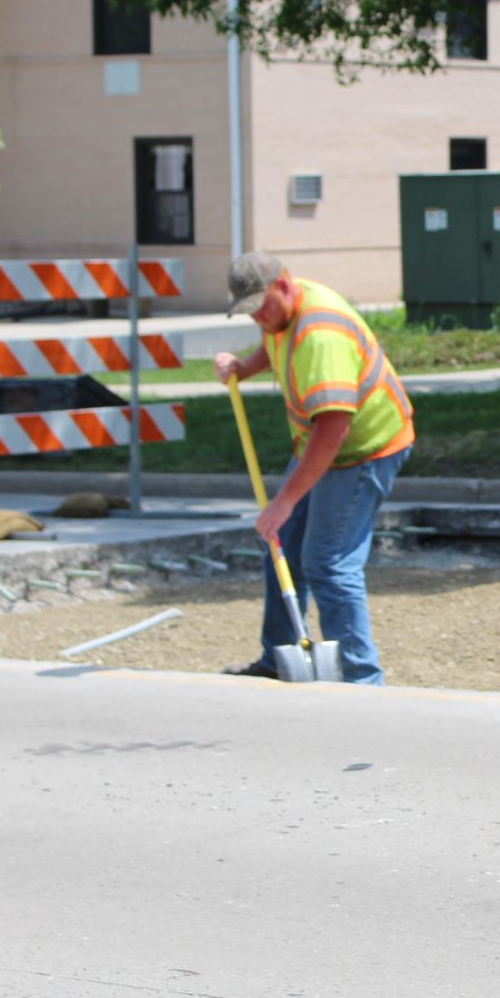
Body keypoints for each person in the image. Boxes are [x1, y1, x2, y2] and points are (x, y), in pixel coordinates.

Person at [214, 252, 413, 683]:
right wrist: (243, 367)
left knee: (328, 562)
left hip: (362, 450)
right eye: (250, 314)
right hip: (323, 445)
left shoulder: (322, 335)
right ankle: (280, 658)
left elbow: (334, 430)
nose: (261, 321)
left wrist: (284, 501)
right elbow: (276, 338)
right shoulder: (283, 315)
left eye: (263, 308)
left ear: (284, 286)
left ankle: (362, 680)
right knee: (280, 543)